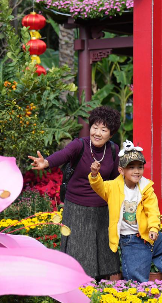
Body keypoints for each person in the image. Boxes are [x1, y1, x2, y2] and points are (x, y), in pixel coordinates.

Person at [28, 106, 121, 279]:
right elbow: (64, 155)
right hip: (77, 208)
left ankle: (98, 294)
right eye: (95, 127)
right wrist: (46, 162)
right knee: (78, 254)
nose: (97, 133)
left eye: (103, 129)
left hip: (102, 211)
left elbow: (116, 181)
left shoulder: (113, 150)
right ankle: (74, 291)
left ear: (111, 133)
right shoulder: (80, 145)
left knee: (102, 256)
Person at [88, 141, 162, 284]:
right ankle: (138, 301)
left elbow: (152, 210)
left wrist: (154, 228)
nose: (136, 171)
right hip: (131, 239)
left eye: (140, 167)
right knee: (136, 276)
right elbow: (99, 187)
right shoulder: (112, 187)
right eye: (131, 167)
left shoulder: (146, 187)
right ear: (121, 170)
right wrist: (94, 174)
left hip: (148, 233)